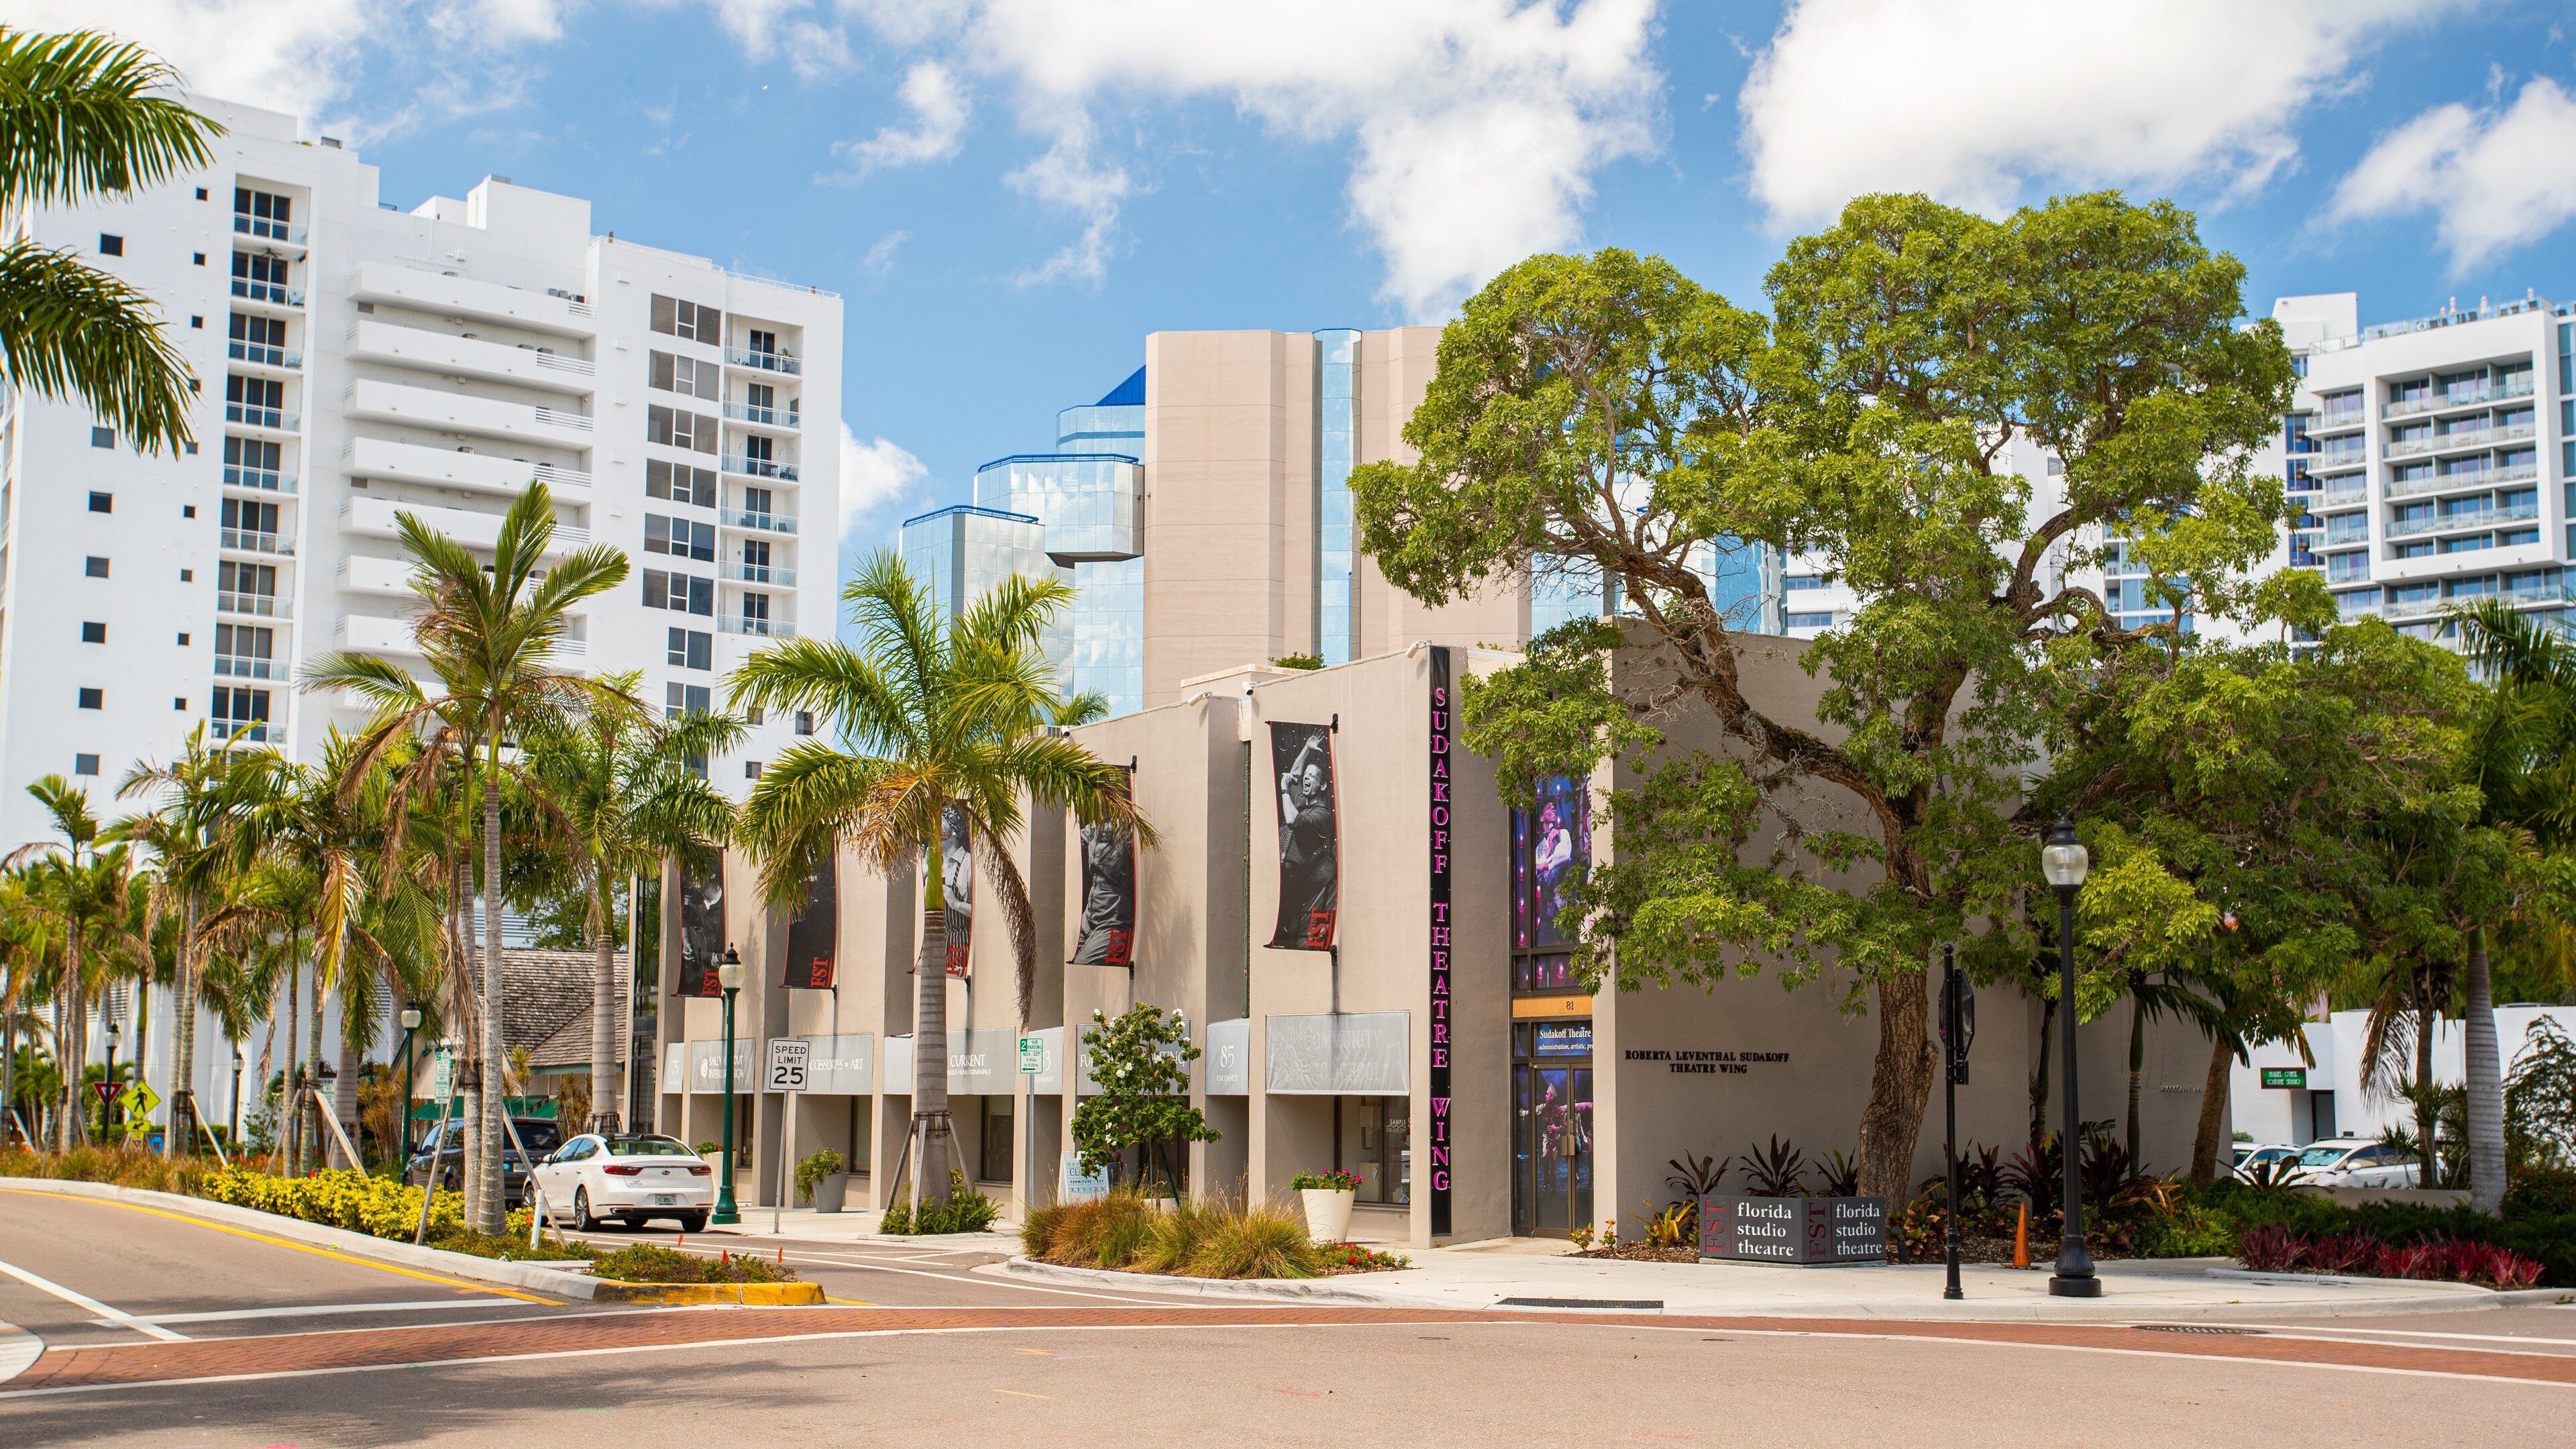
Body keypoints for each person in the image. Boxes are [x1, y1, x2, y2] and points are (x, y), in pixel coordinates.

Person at [1276, 733, 1336, 946]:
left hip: (1293, 875)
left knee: (1286, 924)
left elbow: (1293, 820)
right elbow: (1295, 774)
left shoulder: (1321, 814)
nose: (1306, 779)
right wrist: (1307, 749)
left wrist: (1285, 790)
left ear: (1322, 786)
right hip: (1280, 869)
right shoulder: (1303, 802)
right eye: (1307, 775)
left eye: (1312, 777)